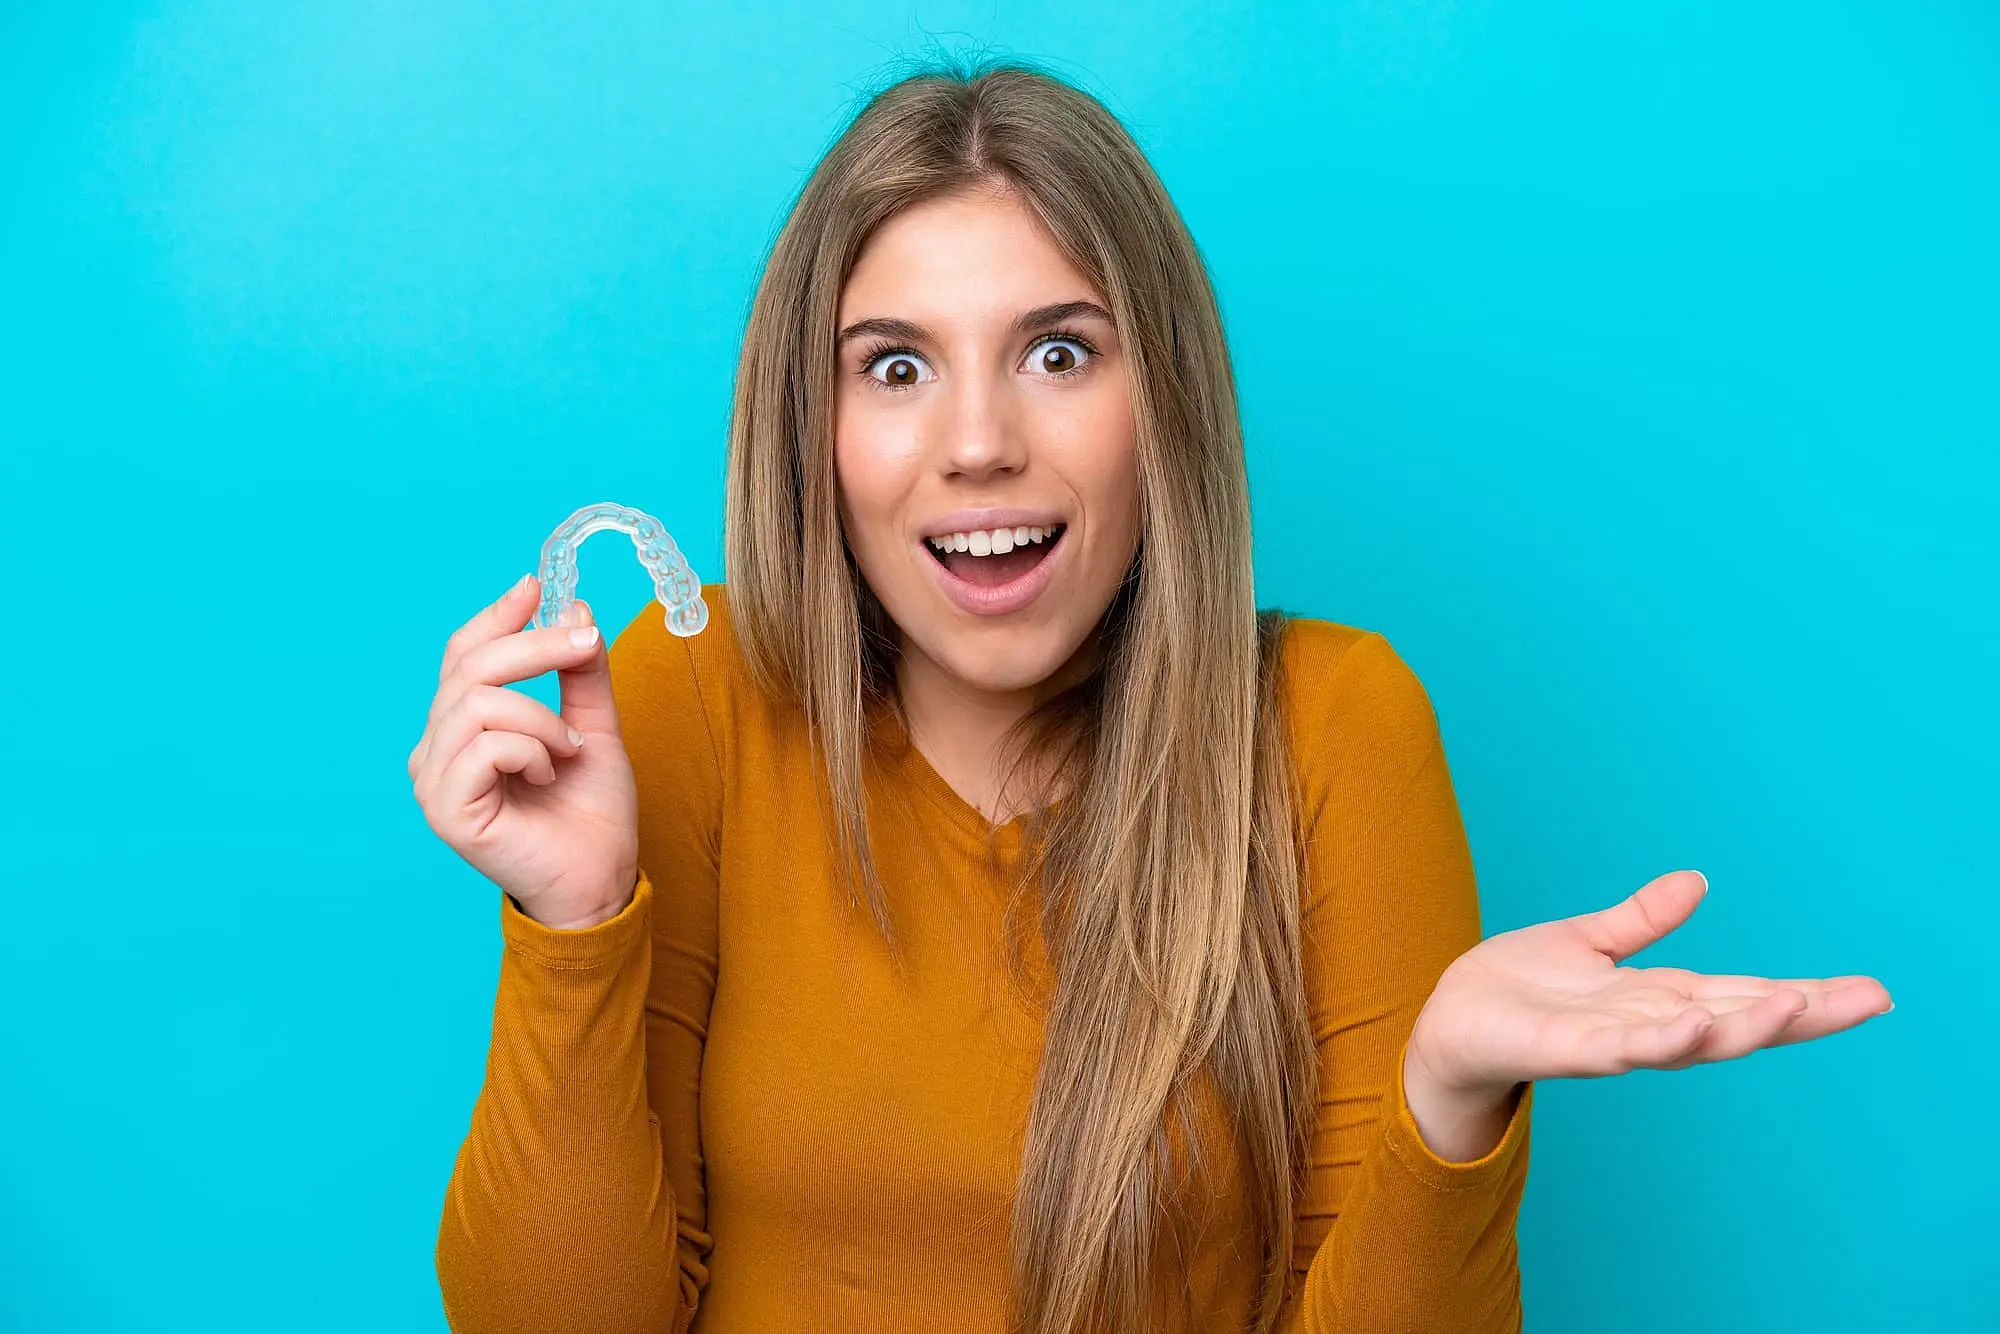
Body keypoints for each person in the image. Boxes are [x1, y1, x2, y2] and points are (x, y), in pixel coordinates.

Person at [410, 60, 1892, 1334]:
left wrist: (1447, 1102)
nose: (978, 442)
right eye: (898, 366)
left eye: (1060, 352)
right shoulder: (684, 694)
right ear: (815, 426)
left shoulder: (1333, 724)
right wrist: (573, 925)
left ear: (1162, 402)